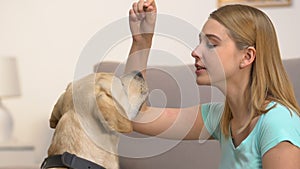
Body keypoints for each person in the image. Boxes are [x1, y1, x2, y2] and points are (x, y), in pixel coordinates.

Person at [125, 0, 300, 168]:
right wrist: (142, 42)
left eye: (211, 44)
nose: (195, 52)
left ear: (247, 56)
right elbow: (134, 116)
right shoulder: (221, 118)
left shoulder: (277, 123)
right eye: (200, 42)